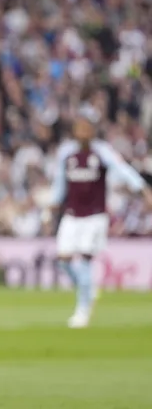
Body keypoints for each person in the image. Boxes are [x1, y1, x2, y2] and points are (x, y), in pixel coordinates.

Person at [47, 108, 152, 328]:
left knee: (84, 260)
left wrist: (143, 189)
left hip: (94, 216)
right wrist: (52, 206)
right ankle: (87, 289)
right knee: (63, 259)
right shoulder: (67, 152)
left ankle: (82, 310)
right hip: (72, 214)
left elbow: (122, 169)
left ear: (93, 129)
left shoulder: (102, 152)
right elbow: (59, 181)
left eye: (87, 126)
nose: (83, 130)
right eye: (80, 126)